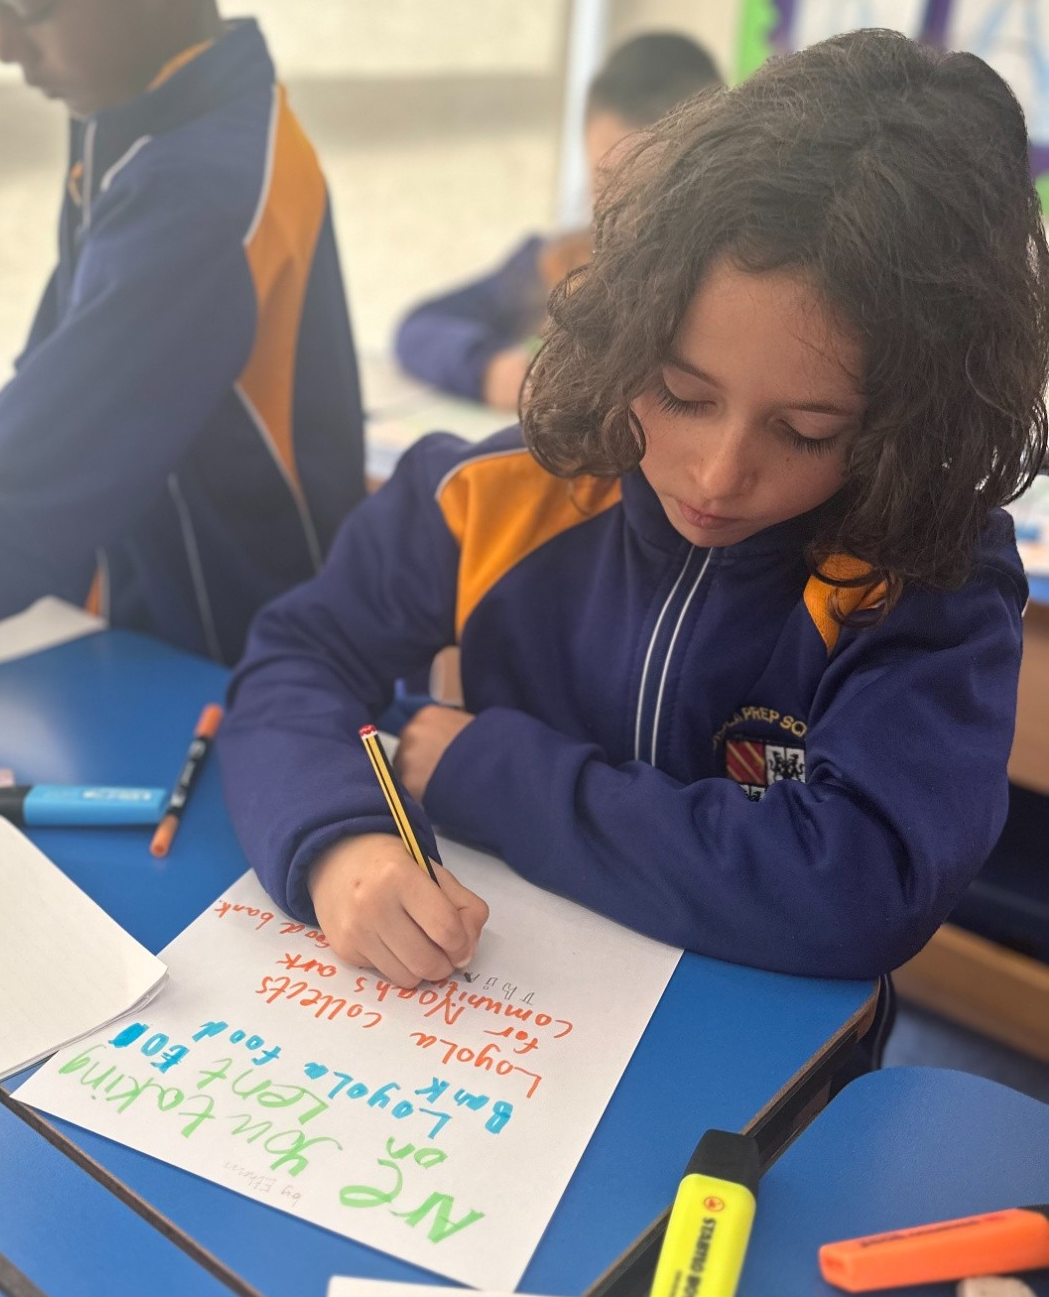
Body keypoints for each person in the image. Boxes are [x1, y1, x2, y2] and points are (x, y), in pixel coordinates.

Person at [219, 30, 1048, 992]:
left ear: (907, 419)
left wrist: (496, 772)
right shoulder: (493, 493)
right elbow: (297, 656)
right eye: (680, 392)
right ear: (622, 330)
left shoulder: (916, 575)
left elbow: (858, 884)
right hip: (500, 1023)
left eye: (809, 431)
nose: (719, 472)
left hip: (755, 1067)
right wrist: (335, 843)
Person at [0, 0, 365, 663]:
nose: (8, 48)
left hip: (216, 646)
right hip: (143, 613)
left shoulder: (196, 189)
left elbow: (38, 483)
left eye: (29, 10)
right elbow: (47, 392)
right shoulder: (155, 122)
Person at [394, 32, 723, 410]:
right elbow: (419, 328)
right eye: (605, 180)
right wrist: (495, 371)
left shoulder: (725, 293)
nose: (627, 210)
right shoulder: (560, 262)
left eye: (653, 187)